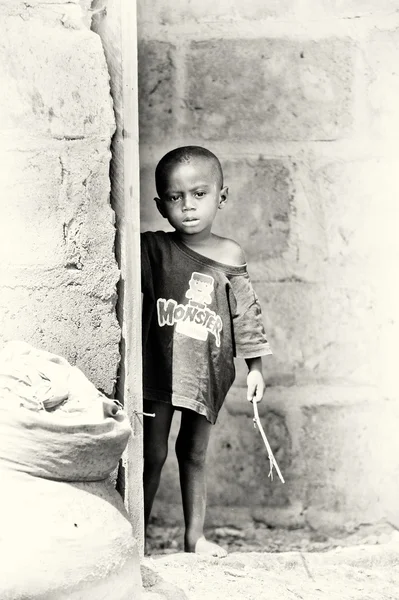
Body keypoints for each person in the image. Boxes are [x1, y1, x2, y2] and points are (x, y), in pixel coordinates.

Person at [141, 145, 272, 557]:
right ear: (162, 206)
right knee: (152, 452)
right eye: (176, 198)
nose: (188, 207)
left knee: (193, 453)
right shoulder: (153, 249)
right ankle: (136, 536)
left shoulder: (230, 255)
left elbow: (246, 315)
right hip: (159, 371)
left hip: (206, 374)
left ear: (222, 195)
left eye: (199, 194)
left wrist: (255, 368)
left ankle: (194, 537)